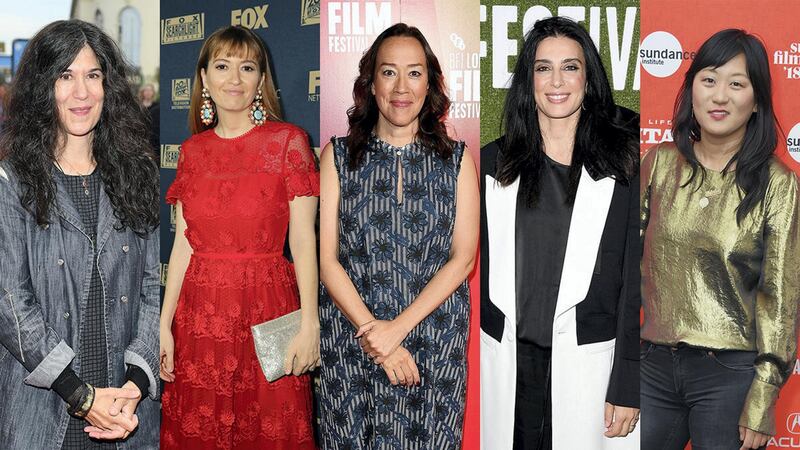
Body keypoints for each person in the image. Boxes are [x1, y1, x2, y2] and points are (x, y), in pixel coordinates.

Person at [480, 16, 641, 450]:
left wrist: (628, 382)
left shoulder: (625, 163)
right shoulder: (492, 164)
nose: (557, 81)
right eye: (542, 67)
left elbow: (635, 282)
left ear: (589, 79)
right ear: (527, 80)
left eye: (570, 67)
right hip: (511, 370)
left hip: (591, 365)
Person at [0, 20, 160, 449]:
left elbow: (151, 287)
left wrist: (136, 385)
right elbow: (11, 302)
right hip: (43, 411)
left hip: (126, 413)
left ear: (108, 85)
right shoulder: (12, 181)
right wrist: (81, 394)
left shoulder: (136, 175)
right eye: (65, 76)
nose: (82, 92)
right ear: (42, 87)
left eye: (93, 75)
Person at [318, 22, 479, 450]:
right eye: (389, 72)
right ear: (371, 84)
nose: (401, 87)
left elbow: (463, 258)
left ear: (430, 84)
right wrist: (377, 336)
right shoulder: (336, 156)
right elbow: (328, 262)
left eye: (414, 72)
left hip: (433, 343)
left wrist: (397, 332)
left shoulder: (458, 161)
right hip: (353, 339)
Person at [159, 25, 320, 450]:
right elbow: (184, 245)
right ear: (205, 79)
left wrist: (310, 322)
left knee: (271, 432)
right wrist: (164, 325)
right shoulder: (192, 152)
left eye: (247, 67)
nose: (234, 78)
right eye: (223, 66)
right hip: (200, 318)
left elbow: (304, 242)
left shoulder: (289, 143)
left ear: (261, 79)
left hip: (267, 309)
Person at [640, 29, 799, 450]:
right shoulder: (659, 164)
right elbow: (622, 268)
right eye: (709, 79)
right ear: (691, 87)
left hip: (729, 376)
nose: (720, 96)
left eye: (737, 83)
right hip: (651, 367)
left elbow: (779, 298)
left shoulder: (777, 184)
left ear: (757, 100)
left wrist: (763, 396)